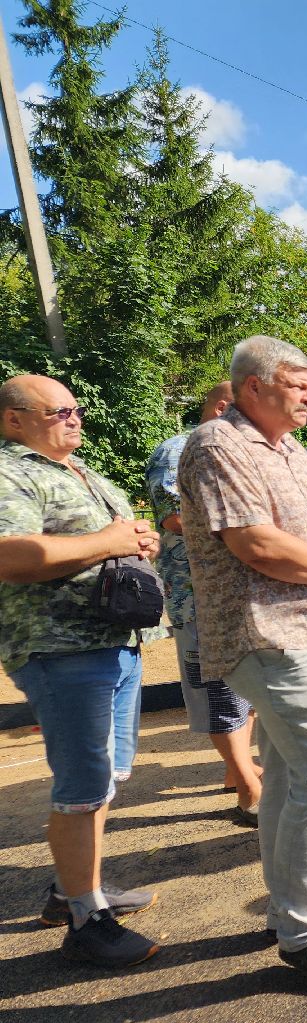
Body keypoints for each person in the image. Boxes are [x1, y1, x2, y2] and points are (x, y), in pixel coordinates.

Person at [179, 335, 307, 988]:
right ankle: (302, 936)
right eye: (296, 383)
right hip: (267, 638)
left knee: (292, 777)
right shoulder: (220, 445)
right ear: (252, 387)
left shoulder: (289, 448)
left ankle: (296, 905)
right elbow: (256, 544)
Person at [0, 375, 160, 967]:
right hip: (60, 650)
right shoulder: (11, 473)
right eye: (60, 411)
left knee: (106, 778)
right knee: (83, 787)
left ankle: (72, 889)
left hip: (112, 644)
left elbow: (108, 540)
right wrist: (110, 538)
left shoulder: (81, 473)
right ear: (16, 419)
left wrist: (133, 541)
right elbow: (10, 555)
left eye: (76, 409)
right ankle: (87, 922)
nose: (76, 418)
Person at [145, 381, 262, 826]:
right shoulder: (178, 450)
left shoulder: (231, 451)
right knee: (217, 692)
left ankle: (239, 770)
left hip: (235, 595)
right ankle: (248, 793)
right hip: (199, 597)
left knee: (243, 692)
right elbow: (173, 516)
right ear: (222, 407)